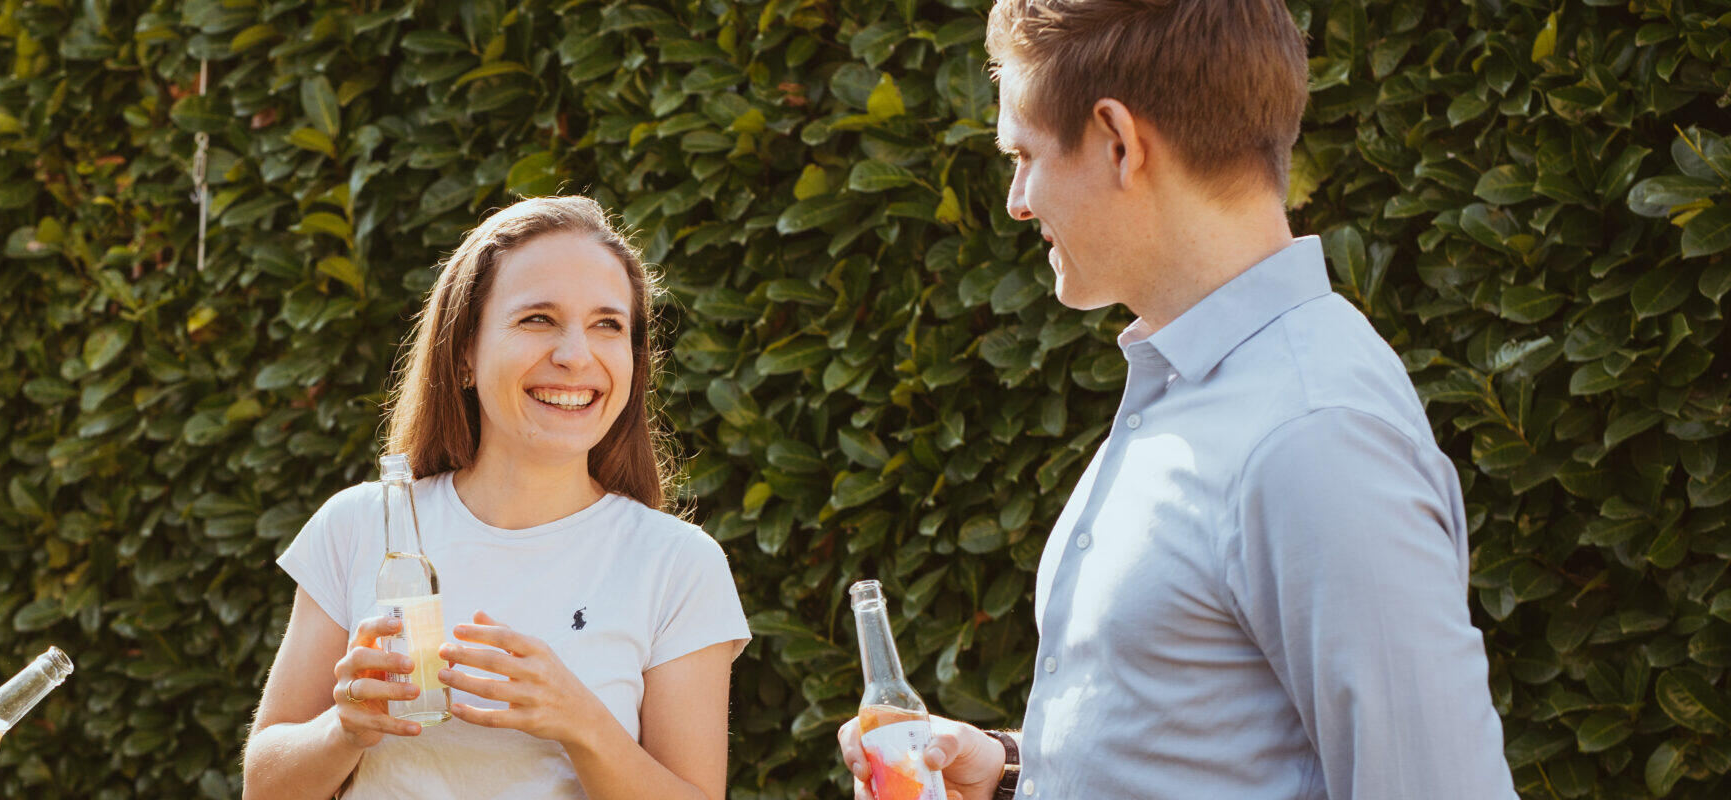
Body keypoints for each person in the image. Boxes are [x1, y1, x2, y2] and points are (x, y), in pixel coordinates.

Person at [837, 1, 1517, 798]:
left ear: (1119, 142)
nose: (1018, 199)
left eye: (1024, 154)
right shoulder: (1202, 384)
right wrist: (1014, 771)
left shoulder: (1314, 435)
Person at [242, 197, 752, 800]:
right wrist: (343, 729)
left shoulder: (678, 565)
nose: (575, 355)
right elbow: (264, 788)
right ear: (465, 352)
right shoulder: (361, 526)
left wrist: (582, 723)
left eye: (607, 324)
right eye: (538, 318)